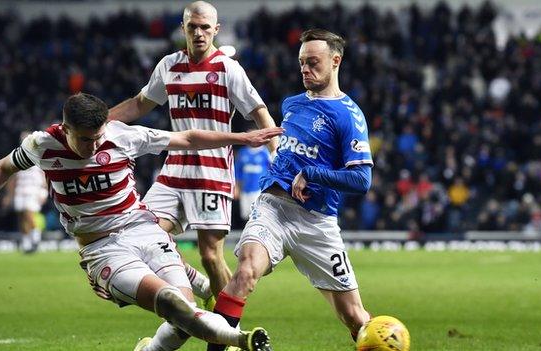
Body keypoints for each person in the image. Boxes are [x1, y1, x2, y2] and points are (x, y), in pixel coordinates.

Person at [0, 93, 281, 351]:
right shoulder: (42, 145)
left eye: (98, 136)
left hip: (143, 229)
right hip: (101, 249)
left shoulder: (120, 135)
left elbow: (187, 139)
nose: (95, 144)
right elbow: (4, 167)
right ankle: (244, 339)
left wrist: (243, 137)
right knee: (175, 305)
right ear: (65, 128)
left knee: (184, 318)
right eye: (85, 139)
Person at [207, 29, 374, 351]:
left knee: (354, 316)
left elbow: (362, 180)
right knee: (244, 272)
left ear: (335, 61)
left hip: (317, 223)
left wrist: (311, 174)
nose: (305, 70)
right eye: (301, 63)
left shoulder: (349, 116)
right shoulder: (292, 104)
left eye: (313, 62)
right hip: (272, 208)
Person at [108, 1, 279, 301]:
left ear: (216, 29)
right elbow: (139, 104)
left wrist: (277, 156)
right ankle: (202, 288)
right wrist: (98, 122)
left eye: (204, 27)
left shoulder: (228, 69)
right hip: (174, 169)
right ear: (183, 28)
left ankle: (229, 329)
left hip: (212, 172)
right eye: (192, 27)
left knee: (211, 256)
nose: (199, 33)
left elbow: (259, 112)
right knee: (141, 235)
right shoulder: (169, 65)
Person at [3, 131, 48, 253]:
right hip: (20, 191)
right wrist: (9, 195)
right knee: (22, 217)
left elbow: (45, 175)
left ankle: (35, 238)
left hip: (32, 191)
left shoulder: (39, 156)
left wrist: (44, 192)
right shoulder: (17, 156)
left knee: (30, 215)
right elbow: (13, 178)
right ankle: (27, 243)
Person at [234, 142, 271, 220]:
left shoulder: (265, 152)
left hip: (259, 189)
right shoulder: (242, 152)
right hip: (245, 188)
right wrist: (236, 187)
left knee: (258, 214)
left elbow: (271, 170)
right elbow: (237, 171)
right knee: (245, 215)